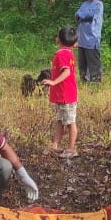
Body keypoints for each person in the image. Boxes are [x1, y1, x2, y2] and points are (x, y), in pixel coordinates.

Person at [43, 25, 79, 157]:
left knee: (70, 122)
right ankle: (55, 145)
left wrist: (53, 82)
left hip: (66, 95)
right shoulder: (67, 53)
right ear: (74, 43)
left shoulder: (62, 54)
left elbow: (67, 72)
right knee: (60, 120)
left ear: (59, 40)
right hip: (62, 95)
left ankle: (71, 148)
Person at [74, 0, 104, 83]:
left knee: (94, 62)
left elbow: (91, 15)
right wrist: (81, 15)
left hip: (92, 38)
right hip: (81, 38)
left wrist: (81, 14)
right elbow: (76, 15)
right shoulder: (84, 4)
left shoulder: (98, 4)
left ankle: (95, 82)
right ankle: (84, 81)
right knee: (82, 63)